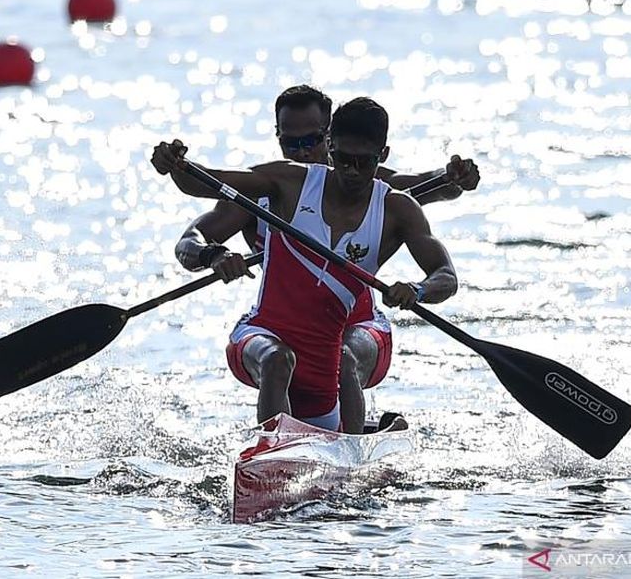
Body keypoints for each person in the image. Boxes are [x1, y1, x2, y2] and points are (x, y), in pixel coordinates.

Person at [174, 85, 478, 433]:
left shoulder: (384, 192)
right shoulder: (276, 185)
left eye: (311, 141)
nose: (303, 152)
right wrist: (213, 253)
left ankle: (350, 446)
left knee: (345, 359)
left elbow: (438, 190)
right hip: (283, 330)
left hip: (353, 327)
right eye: (292, 144)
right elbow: (196, 216)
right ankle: (276, 452)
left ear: (328, 135)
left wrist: (455, 179)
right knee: (276, 358)